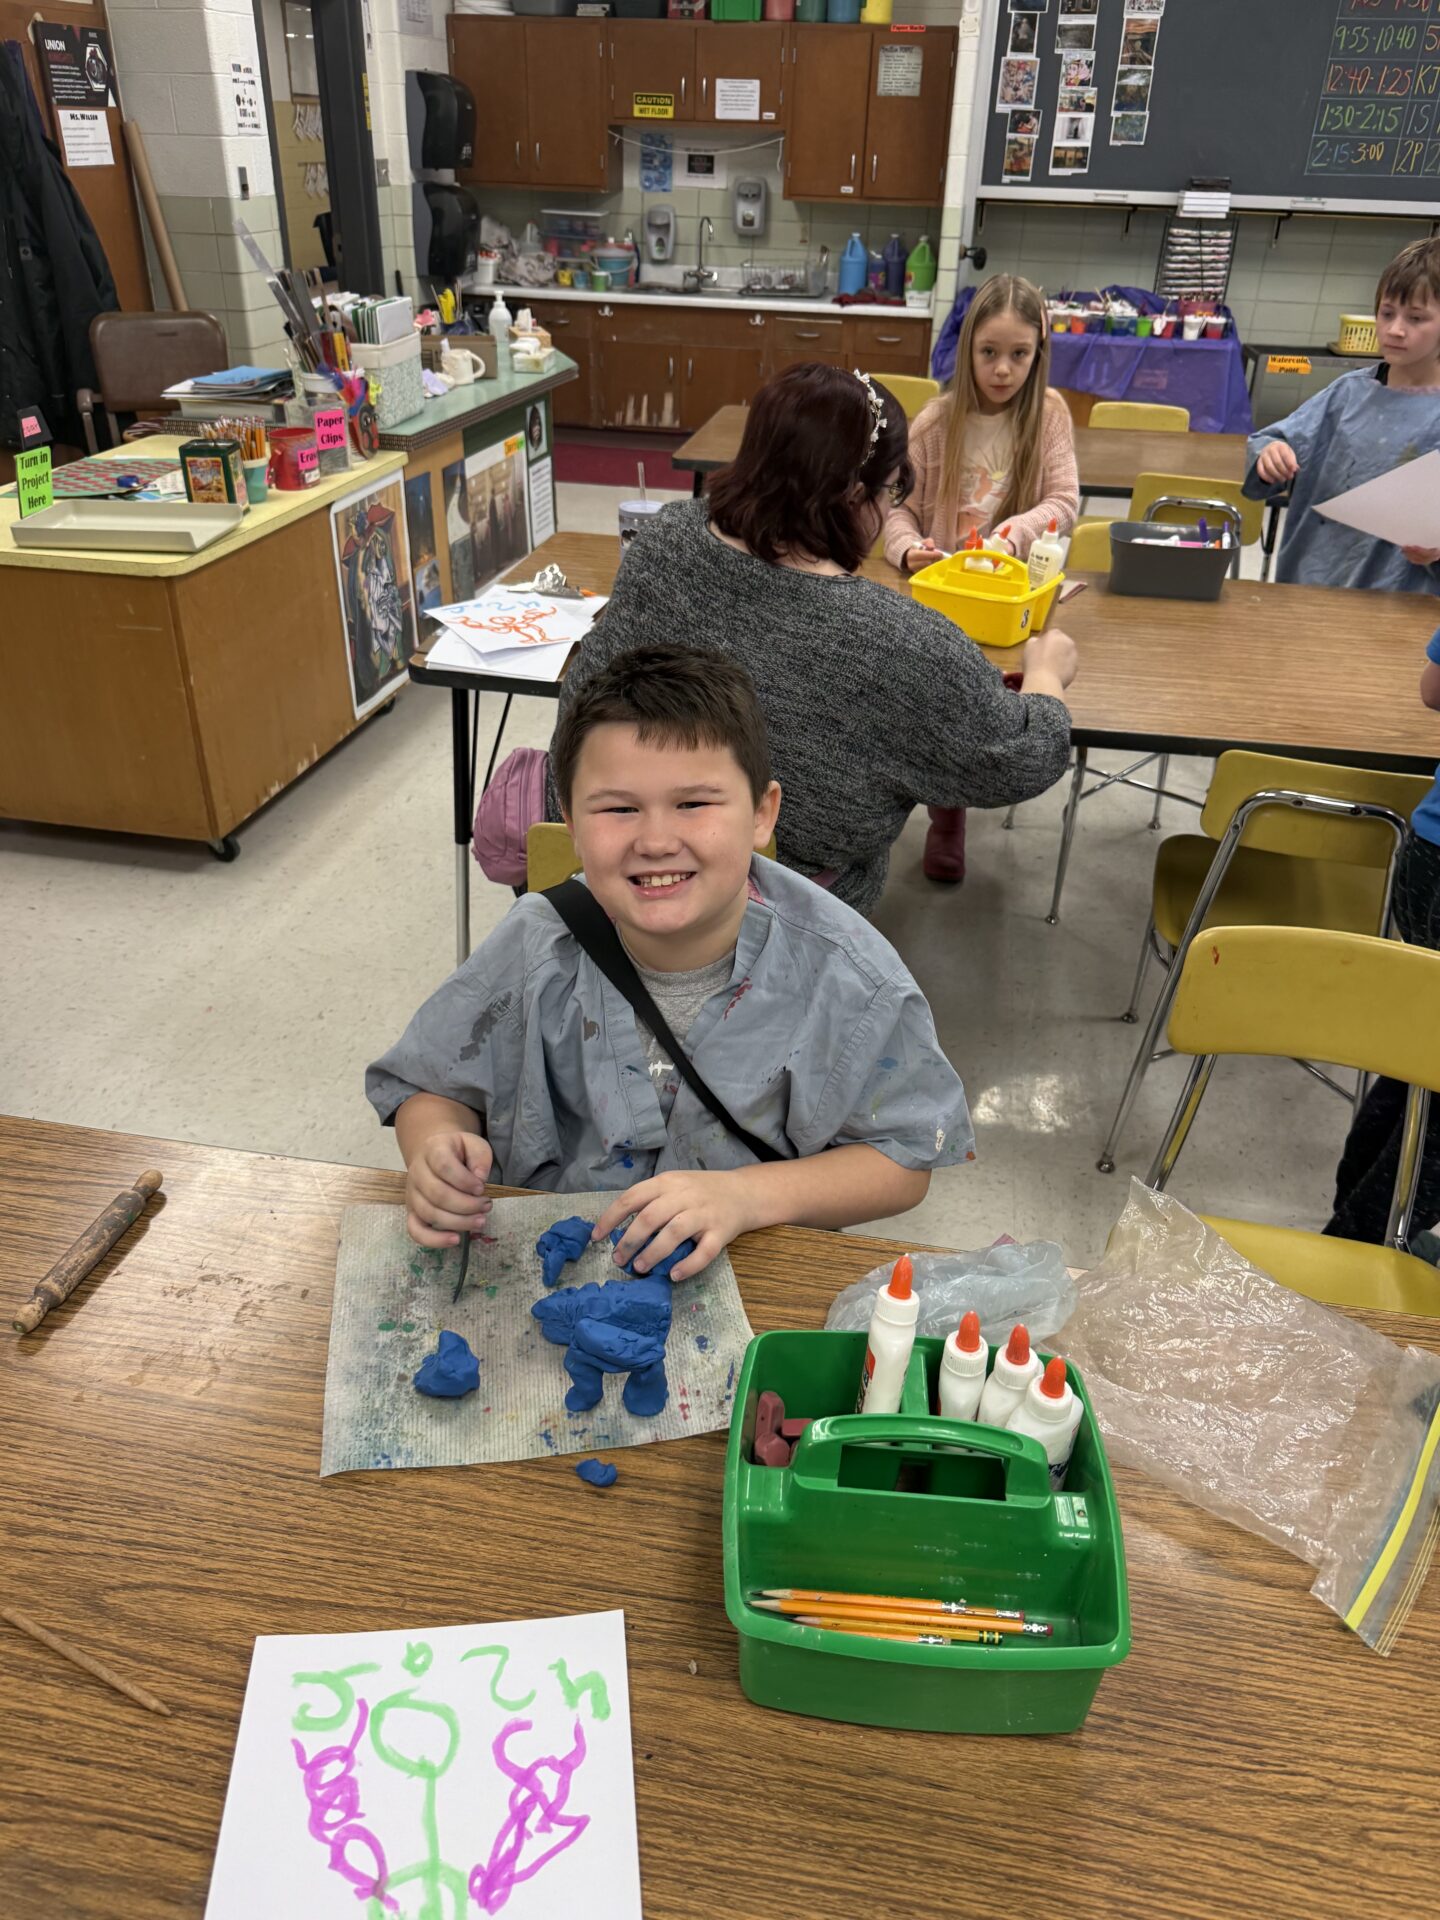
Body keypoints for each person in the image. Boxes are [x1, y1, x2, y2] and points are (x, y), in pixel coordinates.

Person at [367, 647, 973, 1283]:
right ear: (570, 824)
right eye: (618, 809)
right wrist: (436, 1149)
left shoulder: (851, 978)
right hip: (546, 1278)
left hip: (749, 1276)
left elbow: (905, 1160)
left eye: (694, 804)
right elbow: (433, 1082)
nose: (655, 840)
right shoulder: (536, 943)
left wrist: (747, 1196)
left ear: (763, 814)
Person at [546, 362, 1077, 920]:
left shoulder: (666, 538)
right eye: (893, 490)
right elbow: (1021, 760)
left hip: (593, 871)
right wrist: (1045, 672)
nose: (891, 507)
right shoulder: (898, 642)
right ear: (855, 494)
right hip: (770, 925)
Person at [882, 274, 1080, 881]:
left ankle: (955, 793)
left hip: (1011, 597)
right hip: (947, 596)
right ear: (966, 350)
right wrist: (908, 547)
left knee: (988, 703)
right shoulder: (936, 422)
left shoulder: (1047, 415)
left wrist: (1015, 532)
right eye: (989, 353)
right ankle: (946, 813)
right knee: (936, 696)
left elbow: (1066, 499)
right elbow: (893, 506)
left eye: (1019, 354)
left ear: (1037, 355)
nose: (1003, 370)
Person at [1325, 624, 1440, 1253]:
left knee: (1415, 1064)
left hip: (1430, 859)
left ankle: (1352, 1236)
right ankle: (1360, 1252)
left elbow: (1433, 687)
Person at [1244, 237, 1440, 594]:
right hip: (1314, 583)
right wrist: (1269, 455)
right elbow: (1273, 442)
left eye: (1416, 318)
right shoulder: (1347, 394)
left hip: (1402, 600)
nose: (1395, 329)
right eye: (1386, 313)